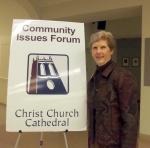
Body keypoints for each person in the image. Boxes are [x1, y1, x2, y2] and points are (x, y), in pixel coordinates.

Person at [87, 30, 140, 148]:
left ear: (111, 50)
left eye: (103, 47)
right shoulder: (94, 78)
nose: (98, 51)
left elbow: (130, 121)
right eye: (95, 48)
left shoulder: (123, 77)